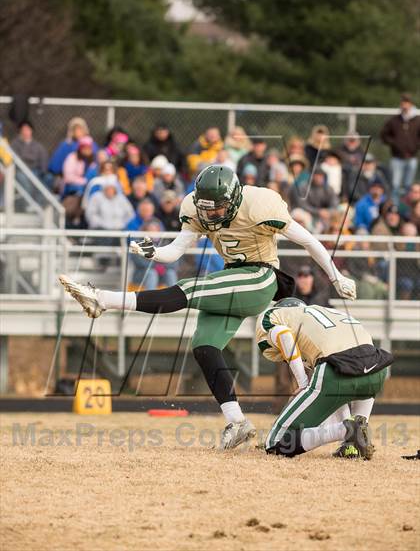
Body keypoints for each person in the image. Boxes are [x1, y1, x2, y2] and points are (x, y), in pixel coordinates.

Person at [59, 165, 356, 450]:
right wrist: (153, 253)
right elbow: (175, 251)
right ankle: (236, 421)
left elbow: (309, 241)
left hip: (259, 277)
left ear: (235, 198)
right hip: (231, 277)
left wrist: (336, 276)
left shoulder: (261, 204)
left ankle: (103, 300)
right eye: (206, 207)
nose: (211, 213)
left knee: (190, 288)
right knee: (204, 345)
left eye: (217, 207)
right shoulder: (195, 207)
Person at [256, 298, 393, 459]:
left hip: (336, 371)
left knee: (275, 444)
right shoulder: (329, 313)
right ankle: (351, 443)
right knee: (344, 393)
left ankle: (346, 430)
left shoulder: (276, 316)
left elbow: (284, 335)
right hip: (376, 369)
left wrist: (303, 382)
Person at [380, 93, 420, 202]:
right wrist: (394, 143)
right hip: (397, 157)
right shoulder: (394, 120)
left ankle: (407, 208)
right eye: (403, 103)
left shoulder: (417, 120)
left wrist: (415, 145)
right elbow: (384, 135)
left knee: (408, 185)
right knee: (395, 185)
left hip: (411, 157)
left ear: (411, 104)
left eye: (407, 103)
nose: (405, 105)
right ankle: (395, 207)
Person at [130, 219, 178, 290]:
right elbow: (138, 261)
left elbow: (174, 261)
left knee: (170, 273)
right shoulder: (138, 242)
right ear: (145, 230)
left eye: (155, 229)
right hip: (143, 274)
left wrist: (163, 267)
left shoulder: (165, 242)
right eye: (150, 229)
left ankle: (175, 297)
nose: (153, 231)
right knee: (152, 273)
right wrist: (155, 266)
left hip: (162, 274)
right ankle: (150, 299)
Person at [10, 121, 49, 185]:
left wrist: (43, 171)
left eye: (28, 129)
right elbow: (16, 159)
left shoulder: (38, 146)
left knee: (48, 177)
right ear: (20, 131)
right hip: (21, 171)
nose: (25, 132)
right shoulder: (15, 144)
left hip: (36, 170)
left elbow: (43, 159)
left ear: (31, 131)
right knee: (22, 177)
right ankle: (31, 194)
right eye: (23, 130)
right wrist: (25, 143)